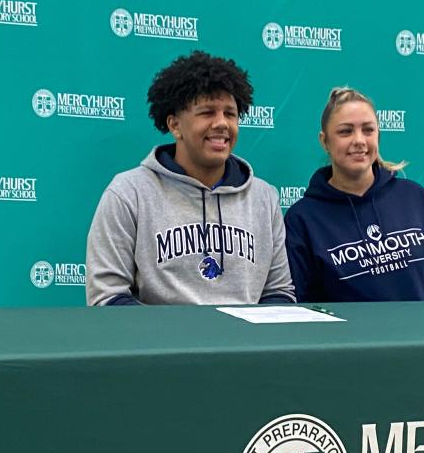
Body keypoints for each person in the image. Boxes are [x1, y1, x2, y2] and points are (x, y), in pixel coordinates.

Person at [86, 51, 295, 305]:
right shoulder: (129, 193)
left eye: (230, 114)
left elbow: (279, 292)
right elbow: (107, 296)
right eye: (207, 112)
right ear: (175, 125)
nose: (222, 124)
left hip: (243, 343)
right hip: (164, 343)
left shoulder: (264, 197)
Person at [284, 87, 424, 302]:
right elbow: (304, 304)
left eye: (368, 130)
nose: (359, 140)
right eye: (345, 131)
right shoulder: (302, 219)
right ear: (324, 141)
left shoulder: (414, 197)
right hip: (350, 336)